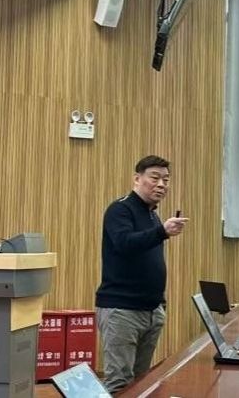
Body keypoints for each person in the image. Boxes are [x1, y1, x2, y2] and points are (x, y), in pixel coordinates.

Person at [94, 155, 189, 393]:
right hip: (122, 309)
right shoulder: (120, 209)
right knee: (119, 383)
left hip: (152, 310)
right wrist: (162, 231)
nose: (161, 184)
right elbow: (125, 243)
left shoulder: (152, 214)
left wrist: (160, 305)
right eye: (155, 178)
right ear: (137, 179)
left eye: (166, 180)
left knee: (140, 383)